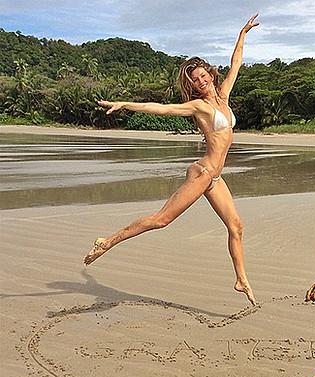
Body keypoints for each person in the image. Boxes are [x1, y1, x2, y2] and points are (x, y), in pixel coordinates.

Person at [84, 14, 259, 305]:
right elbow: (161, 109)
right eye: (195, 80)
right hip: (203, 173)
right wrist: (125, 104)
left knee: (236, 226)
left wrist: (242, 34)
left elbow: (237, 62)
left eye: (203, 76)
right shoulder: (198, 106)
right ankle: (108, 241)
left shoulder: (224, 96)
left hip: (215, 178)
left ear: (211, 74)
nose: (201, 81)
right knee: (161, 219)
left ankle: (241, 280)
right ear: (193, 86)